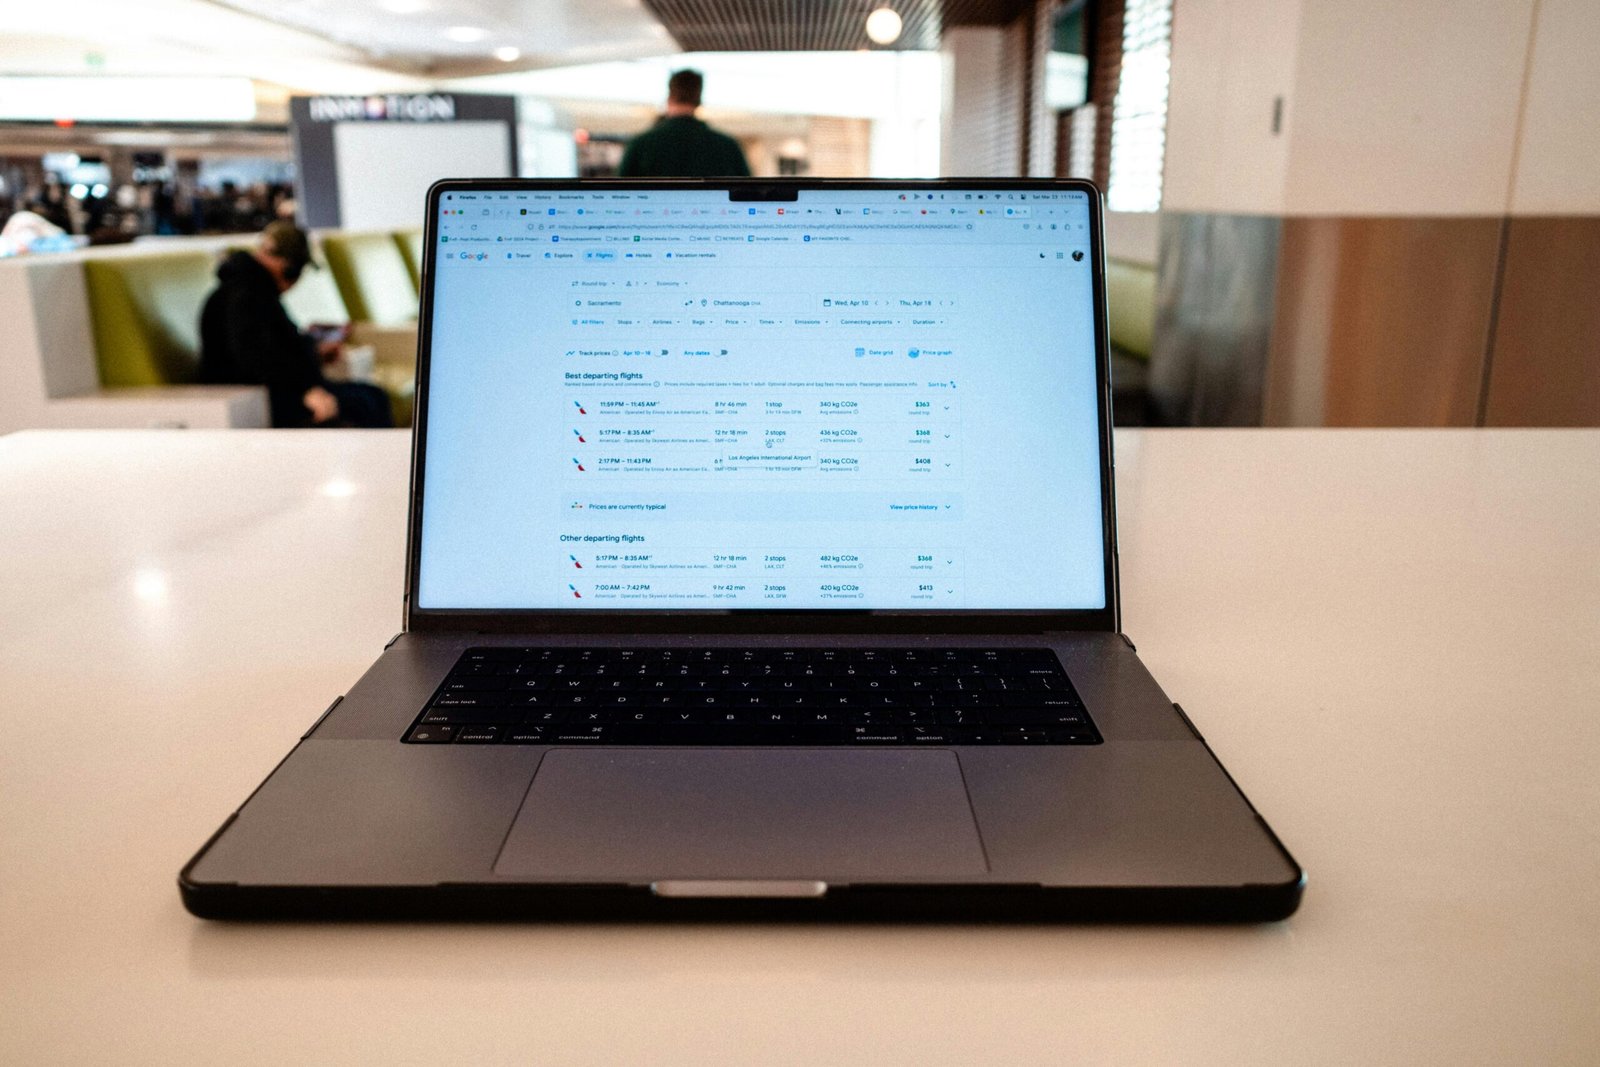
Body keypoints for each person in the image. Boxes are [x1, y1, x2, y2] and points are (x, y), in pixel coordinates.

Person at [197, 221, 391, 428]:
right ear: (288, 267)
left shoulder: (255, 290)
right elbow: (254, 363)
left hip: (280, 390)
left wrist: (315, 353)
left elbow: (275, 349)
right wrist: (305, 392)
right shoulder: (244, 297)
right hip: (264, 397)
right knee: (365, 402)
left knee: (372, 395)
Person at [618, 69, 751, 178]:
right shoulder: (728, 147)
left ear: (669, 97)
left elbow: (618, 194)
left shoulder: (640, 145)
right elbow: (748, 193)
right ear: (699, 100)